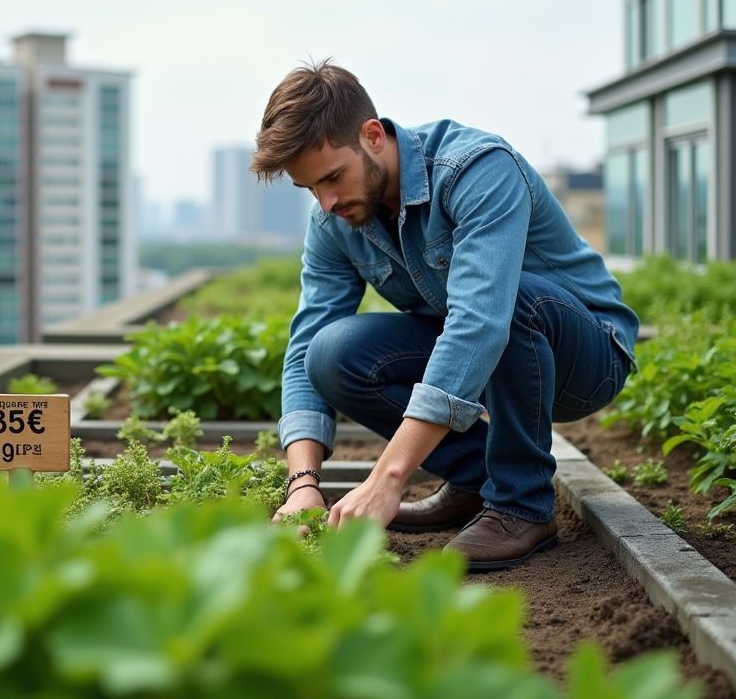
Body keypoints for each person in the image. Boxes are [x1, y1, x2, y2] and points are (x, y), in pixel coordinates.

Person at [254, 60, 639, 570]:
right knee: (331, 352)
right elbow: (305, 343)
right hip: (485, 358)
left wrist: (386, 479)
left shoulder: (477, 169)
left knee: (506, 300)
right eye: (310, 190)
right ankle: (479, 479)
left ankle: (522, 504)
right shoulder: (334, 217)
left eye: (331, 178)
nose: (325, 202)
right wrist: (303, 485)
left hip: (585, 356)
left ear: (372, 136)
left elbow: (481, 323)